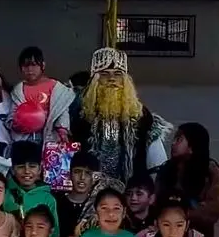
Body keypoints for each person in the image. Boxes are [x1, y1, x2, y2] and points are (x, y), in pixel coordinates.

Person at [70, 48, 171, 184]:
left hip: (129, 189)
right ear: (95, 80)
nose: (112, 79)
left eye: (117, 74)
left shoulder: (141, 116)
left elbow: (157, 163)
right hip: (87, 188)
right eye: (104, 74)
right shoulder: (79, 115)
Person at [155, 123, 219, 237]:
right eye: (174, 139)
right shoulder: (166, 169)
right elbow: (157, 200)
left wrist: (183, 214)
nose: (173, 143)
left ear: (192, 147)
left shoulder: (208, 171)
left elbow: (214, 209)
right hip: (167, 233)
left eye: (179, 140)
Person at [9, 46, 73, 145]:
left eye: (34, 65)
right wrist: (18, 124)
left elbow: (62, 111)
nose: (30, 69)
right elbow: (12, 116)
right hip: (25, 139)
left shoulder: (56, 88)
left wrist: (62, 131)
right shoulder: (18, 91)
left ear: (43, 65)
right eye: (25, 66)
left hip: (50, 138)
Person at [3, 140, 59, 237]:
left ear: (40, 169)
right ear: (13, 169)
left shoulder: (48, 199)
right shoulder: (4, 194)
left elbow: (54, 235)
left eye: (32, 166)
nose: (27, 171)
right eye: (21, 166)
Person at [53, 151, 99, 237]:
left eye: (88, 173)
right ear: (70, 174)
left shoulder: (98, 206)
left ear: (95, 178)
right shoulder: (56, 202)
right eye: (77, 171)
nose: (82, 177)